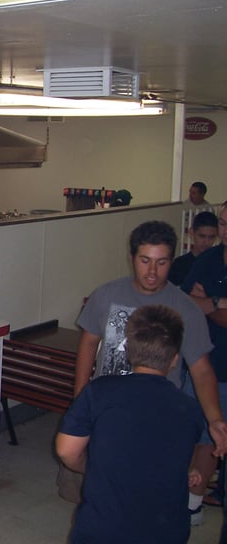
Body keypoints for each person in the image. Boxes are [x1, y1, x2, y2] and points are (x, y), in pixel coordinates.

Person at [73, 220, 227, 517]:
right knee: (104, 496)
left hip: (159, 419)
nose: (152, 272)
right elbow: (88, 344)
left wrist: (216, 419)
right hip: (109, 416)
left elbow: (201, 369)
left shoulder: (185, 308)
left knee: (150, 498)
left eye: (162, 262)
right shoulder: (106, 295)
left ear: (172, 260)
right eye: (145, 261)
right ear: (132, 258)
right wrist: (81, 397)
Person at [57, 305, 203, 544]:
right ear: (175, 359)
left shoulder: (99, 392)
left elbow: (66, 450)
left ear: (130, 352)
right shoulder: (190, 408)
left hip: (102, 529)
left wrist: (92, 467)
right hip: (165, 531)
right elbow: (173, 453)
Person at [182, 202, 227, 523]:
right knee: (188, 432)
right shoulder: (208, 260)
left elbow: (202, 304)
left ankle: (194, 504)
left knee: (213, 438)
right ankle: (187, 498)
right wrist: (217, 304)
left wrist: (207, 302)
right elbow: (187, 303)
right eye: (223, 222)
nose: (224, 230)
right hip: (198, 361)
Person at [169, 210, 218, 286]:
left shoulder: (220, 263)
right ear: (192, 233)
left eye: (211, 237)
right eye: (202, 236)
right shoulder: (179, 265)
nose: (206, 242)